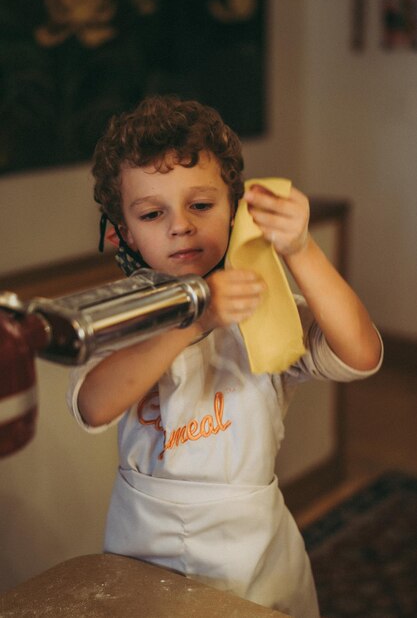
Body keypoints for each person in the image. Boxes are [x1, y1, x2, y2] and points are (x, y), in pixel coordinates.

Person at [67, 95, 383, 618]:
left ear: (235, 208)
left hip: (253, 555)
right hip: (144, 545)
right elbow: (94, 406)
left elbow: (362, 354)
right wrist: (198, 320)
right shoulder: (119, 315)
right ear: (120, 231)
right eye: (152, 213)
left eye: (201, 205)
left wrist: (301, 249)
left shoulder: (265, 305)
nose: (181, 226)